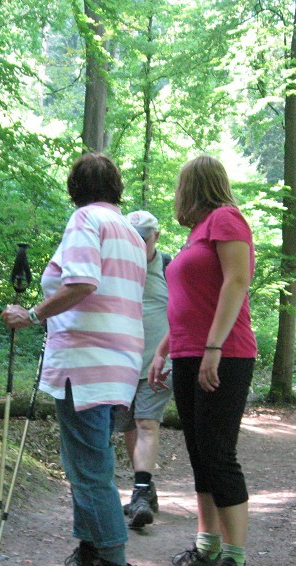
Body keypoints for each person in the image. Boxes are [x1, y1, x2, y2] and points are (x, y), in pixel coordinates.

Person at [1, 153, 146, 566]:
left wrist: (32, 313)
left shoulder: (86, 219)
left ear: (74, 188)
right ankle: (89, 557)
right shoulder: (129, 232)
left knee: (89, 470)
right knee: (90, 464)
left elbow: (82, 282)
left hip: (85, 365)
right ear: (116, 187)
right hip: (117, 363)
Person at [147, 155, 256, 566]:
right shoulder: (197, 233)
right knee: (199, 454)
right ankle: (207, 551)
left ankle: (236, 564)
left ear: (194, 186)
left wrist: (213, 347)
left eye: (181, 186)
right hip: (191, 353)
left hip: (224, 356)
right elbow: (192, 299)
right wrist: (164, 349)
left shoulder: (227, 219)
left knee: (218, 454)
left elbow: (236, 283)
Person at [114, 210, 173, 530]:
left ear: (156, 237)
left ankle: (138, 493)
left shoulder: (170, 268)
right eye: (132, 239)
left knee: (147, 422)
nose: (138, 245)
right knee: (129, 427)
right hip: (122, 362)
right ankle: (145, 488)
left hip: (160, 362)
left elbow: (184, 313)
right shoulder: (117, 266)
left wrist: (168, 353)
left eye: (144, 239)